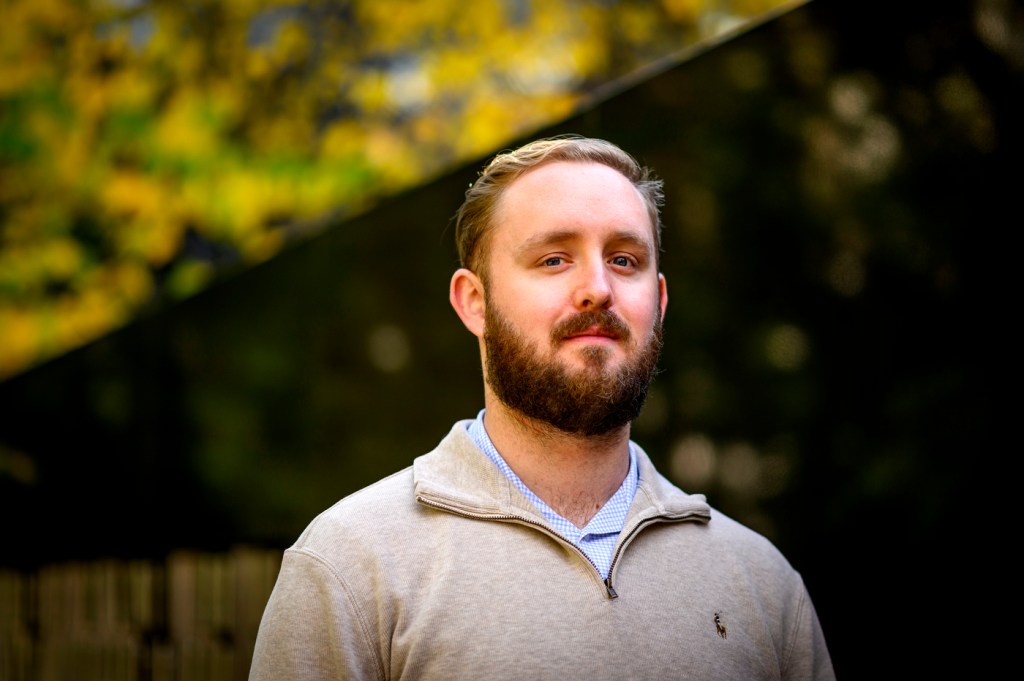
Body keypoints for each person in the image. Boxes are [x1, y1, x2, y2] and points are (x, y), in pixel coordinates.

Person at [248, 135, 835, 680]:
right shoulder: (351, 565)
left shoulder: (763, 584)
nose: (598, 288)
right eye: (554, 259)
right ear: (474, 303)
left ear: (657, 302)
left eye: (625, 259)